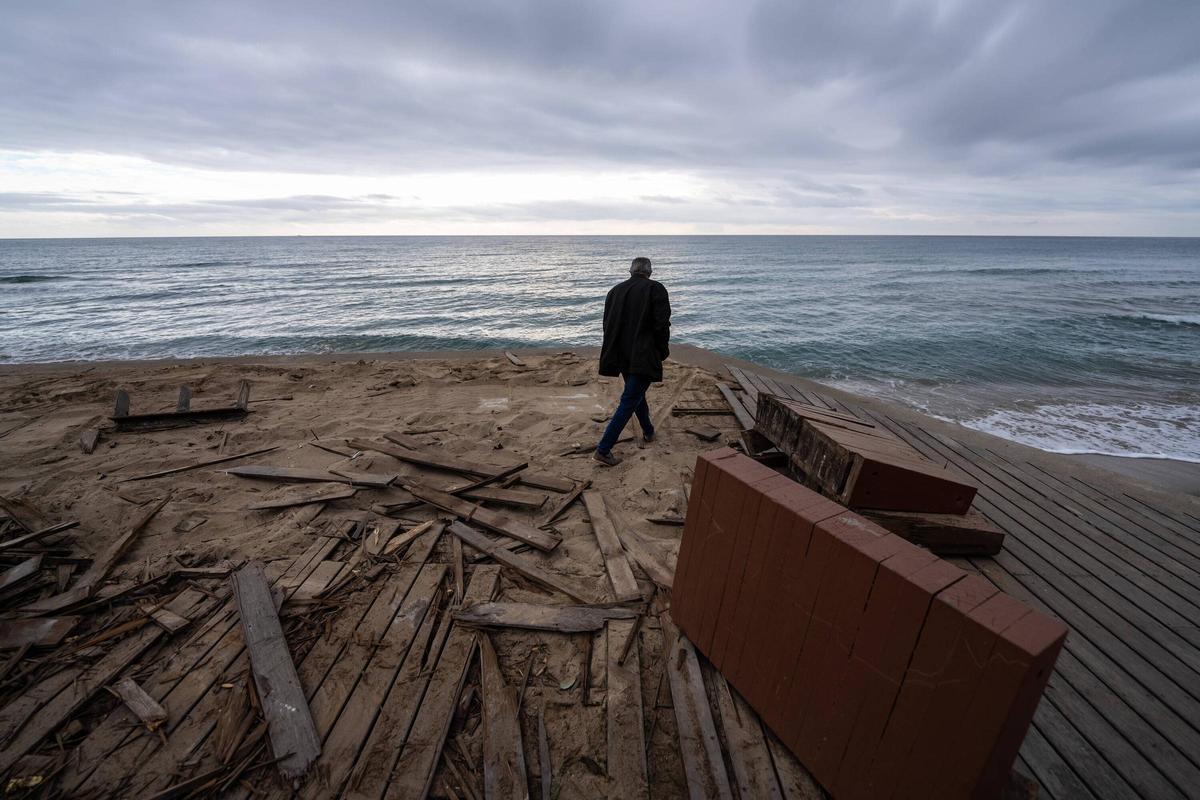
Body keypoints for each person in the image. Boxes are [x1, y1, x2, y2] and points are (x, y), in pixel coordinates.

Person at [594, 256, 672, 466]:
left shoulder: (615, 291)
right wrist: (662, 350)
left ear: (631, 271)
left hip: (621, 354)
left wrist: (611, 351)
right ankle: (603, 449)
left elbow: (607, 324)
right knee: (629, 399)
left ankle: (648, 431)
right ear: (649, 272)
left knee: (636, 393)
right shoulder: (655, 289)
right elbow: (662, 325)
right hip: (643, 354)